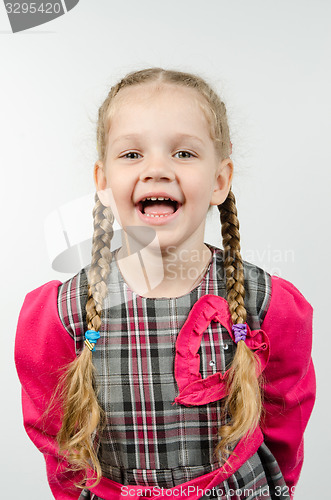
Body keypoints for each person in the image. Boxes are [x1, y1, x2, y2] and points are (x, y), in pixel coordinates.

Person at [15, 67, 316, 500]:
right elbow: (56, 441)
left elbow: (286, 420)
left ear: (219, 180)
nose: (157, 169)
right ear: (103, 182)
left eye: (184, 154)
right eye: (132, 154)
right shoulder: (62, 315)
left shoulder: (265, 303)